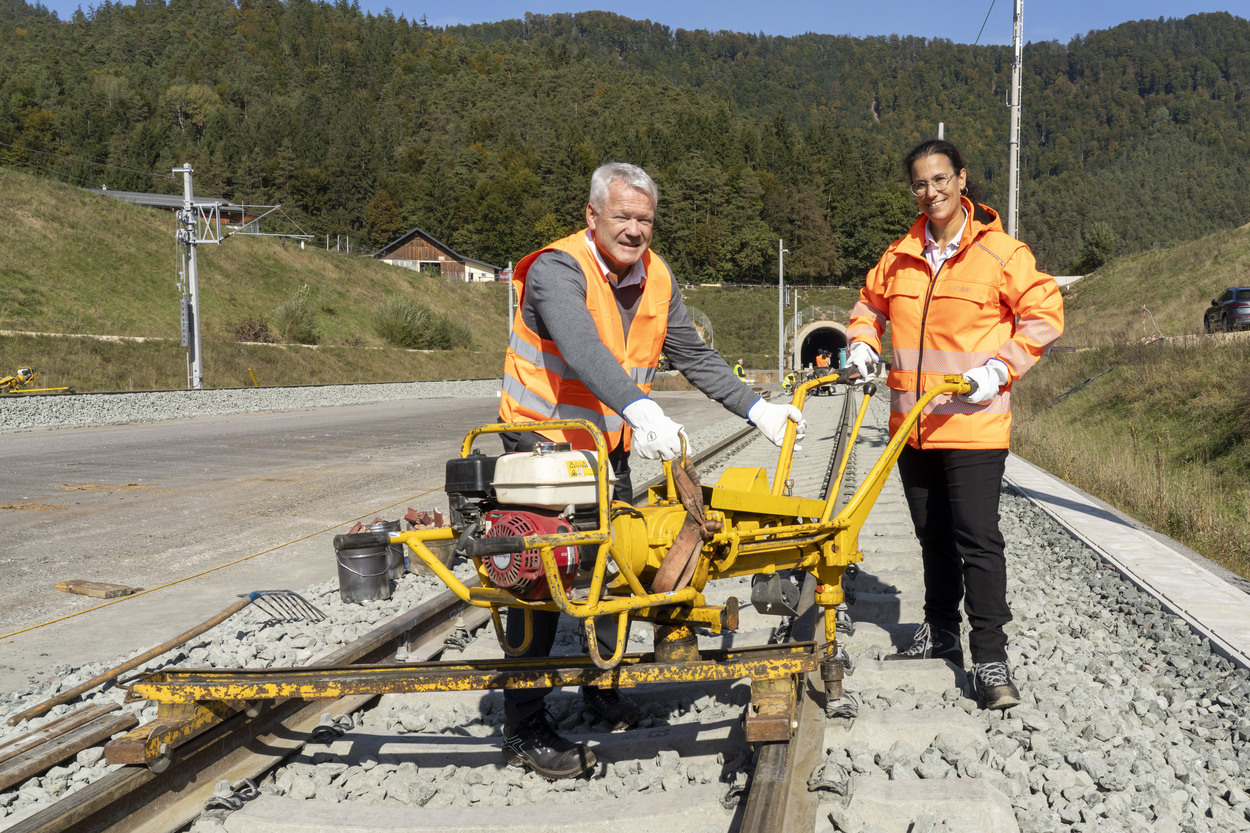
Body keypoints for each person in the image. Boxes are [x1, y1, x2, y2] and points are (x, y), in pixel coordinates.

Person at [498, 161, 806, 778]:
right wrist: (641, 408)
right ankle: (524, 724)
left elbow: (690, 351)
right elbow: (582, 346)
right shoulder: (558, 270)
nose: (635, 230)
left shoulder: (657, 277)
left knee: (608, 569)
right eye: (622, 217)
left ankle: (597, 688)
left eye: (645, 219)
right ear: (592, 216)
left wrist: (755, 407)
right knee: (540, 583)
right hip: (539, 449)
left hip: (601, 449)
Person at [845, 139, 1063, 711]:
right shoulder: (899, 255)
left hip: (972, 426)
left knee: (977, 540)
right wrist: (863, 343)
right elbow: (868, 306)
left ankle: (990, 655)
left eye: (941, 179)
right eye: (920, 183)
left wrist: (1001, 368)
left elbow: (1045, 316)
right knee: (931, 536)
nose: (931, 191)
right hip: (911, 426)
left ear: (962, 179)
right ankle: (940, 632)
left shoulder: (1001, 254)